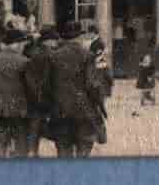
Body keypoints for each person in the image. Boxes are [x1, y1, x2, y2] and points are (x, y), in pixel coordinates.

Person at [36, 21, 107, 158]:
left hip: (60, 110)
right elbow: (93, 85)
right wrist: (99, 105)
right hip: (83, 111)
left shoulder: (53, 56)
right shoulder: (87, 55)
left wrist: (48, 108)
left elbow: (45, 86)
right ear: (80, 37)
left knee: (63, 151)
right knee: (84, 150)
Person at [0, 26, 33, 157]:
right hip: (18, 107)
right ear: (18, 44)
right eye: (22, 44)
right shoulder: (25, 61)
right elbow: (31, 85)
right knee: (20, 143)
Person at [24, 23, 59, 157]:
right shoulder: (53, 55)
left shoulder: (31, 53)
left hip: (32, 98)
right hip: (48, 98)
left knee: (34, 130)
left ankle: (32, 152)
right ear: (49, 40)